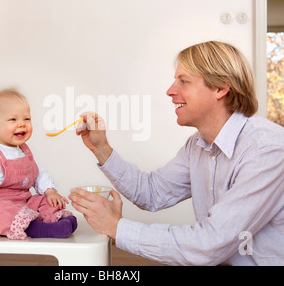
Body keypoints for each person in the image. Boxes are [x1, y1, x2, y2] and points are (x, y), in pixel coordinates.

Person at [69, 40, 284, 265]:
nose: (170, 91)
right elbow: (151, 193)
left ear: (221, 88)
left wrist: (116, 227)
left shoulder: (267, 150)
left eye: (184, 81)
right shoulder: (198, 145)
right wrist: (101, 148)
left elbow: (210, 244)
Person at [0, 89, 77, 240]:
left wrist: (50, 192)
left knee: (42, 200)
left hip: (23, 202)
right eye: (13, 120)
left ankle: (57, 219)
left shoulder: (25, 151)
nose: (22, 124)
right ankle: (39, 229)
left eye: (26, 119)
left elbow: (39, 173)